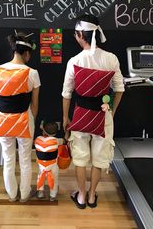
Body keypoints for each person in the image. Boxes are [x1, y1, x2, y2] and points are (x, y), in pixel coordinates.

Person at [62, 14, 125, 209]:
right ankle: (91, 196)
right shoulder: (111, 58)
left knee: (80, 157)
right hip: (103, 115)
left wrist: (65, 117)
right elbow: (119, 89)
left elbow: (67, 93)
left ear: (81, 35)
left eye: (76, 34)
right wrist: (111, 113)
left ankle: (80, 196)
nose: (75, 36)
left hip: (80, 115)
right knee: (99, 157)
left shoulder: (74, 61)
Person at [0, 31, 41, 202]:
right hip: (24, 120)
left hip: (3, 119)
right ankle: (25, 194)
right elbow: (34, 105)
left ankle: (12, 195)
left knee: (9, 158)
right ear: (26, 53)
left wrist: (2, 119)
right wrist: (31, 120)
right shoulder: (32, 73)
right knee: (26, 158)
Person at [34, 121, 64, 201]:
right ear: (55, 133)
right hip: (53, 164)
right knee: (55, 179)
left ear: (43, 131)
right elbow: (64, 141)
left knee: (40, 177)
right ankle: (52, 196)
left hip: (41, 165)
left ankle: (40, 193)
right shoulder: (56, 140)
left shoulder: (37, 139)